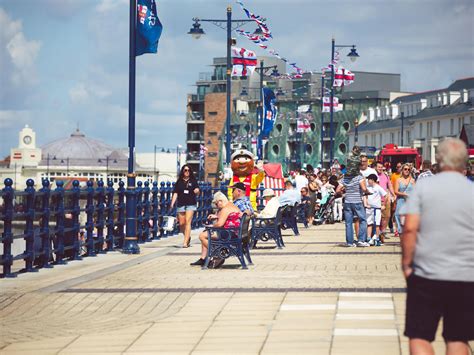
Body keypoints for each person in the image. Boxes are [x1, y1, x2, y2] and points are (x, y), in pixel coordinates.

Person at [401, 138, 474, 355]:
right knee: (458, 338)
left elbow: (410, 229)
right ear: (464, 162)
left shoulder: (424, 187)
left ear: (439, 160)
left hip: (426, 273)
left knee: (420, 336)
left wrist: (406, 264)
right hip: (465, 274)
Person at [190, 192, 242, 267]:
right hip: (234, 231)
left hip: (229, 233)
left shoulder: (226, 209)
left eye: (216, 204)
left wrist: (211, 226)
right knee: (206, 233)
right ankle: (204, 258)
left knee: (202, 236)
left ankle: (218, 254)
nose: (216, 206)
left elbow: (220, 224)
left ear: (221, 201)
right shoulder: (231, 205)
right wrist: (216, 217)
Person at [336, 172, 371, 247]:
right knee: (363, 220)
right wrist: (368, 192)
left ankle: (350, 242)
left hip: (347, 202)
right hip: (357, 201)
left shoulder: (344, 178)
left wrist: (343, 194)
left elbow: (337, 190)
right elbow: (364, 188)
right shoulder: (359, 177)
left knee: (348, 223)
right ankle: (361, 240)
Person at [170, 164, 200, 248]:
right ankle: (188, 237)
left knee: (187, 222)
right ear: (183, 171)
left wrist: (197, 191)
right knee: (182, 223)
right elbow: (175, 193)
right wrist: (172, 203)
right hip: (181, 203)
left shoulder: (193, 181)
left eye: (188, 170)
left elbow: (198, 191)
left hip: (191, 203)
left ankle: (185, 242)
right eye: (185, 170)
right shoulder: (179, 181)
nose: (187, 172)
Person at [364, 174, 387, 246]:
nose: (368, 181)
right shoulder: (367, 188)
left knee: (377, 224)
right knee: (369, 223)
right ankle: (368, 238)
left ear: (372, 180)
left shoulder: (378, 188)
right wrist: (366, 204)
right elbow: (365, 196)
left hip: (377, 208)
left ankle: (377, 238)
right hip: (369, 208)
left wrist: (383, 205)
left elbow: (386, 195)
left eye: (369, 179)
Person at [394, 163, 415, 237]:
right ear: (402, 170)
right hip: (401, 201)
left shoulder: (412, 180)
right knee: (400, 219)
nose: (407, 171)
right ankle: (401, 235)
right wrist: (404, 194)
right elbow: (396, 191)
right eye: (405, 169)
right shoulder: (398, 180)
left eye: (408, 169)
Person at [375, 162, 395, 240]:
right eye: (378, 167)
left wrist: (393, 194)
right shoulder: (374, 176)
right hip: (377, 200)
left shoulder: (386, 175)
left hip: (386, 199)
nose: (380, 168)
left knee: (387, 216)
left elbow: (389, 185)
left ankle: (382, 231)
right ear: (375, 167)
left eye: (381, 167)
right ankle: (378, 233)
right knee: (378, 218)